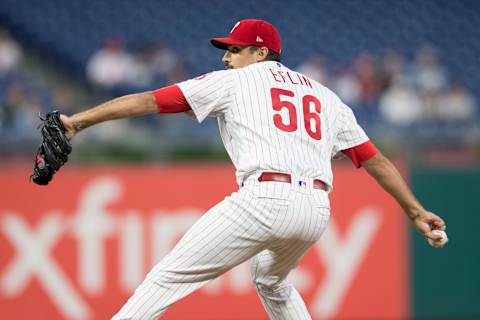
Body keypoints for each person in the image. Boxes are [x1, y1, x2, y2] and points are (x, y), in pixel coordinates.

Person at [59, 19, 448, 320]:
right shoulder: (325, 95)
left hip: (265, 197)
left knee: (168, 277)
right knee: (271, 279)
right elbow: (374, 159)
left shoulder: (234, 82)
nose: (226, 58)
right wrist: (415, 211)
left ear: (261, 53)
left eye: (235, 50)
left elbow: (149, 101)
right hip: (315, 210)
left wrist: (79, 121)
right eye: (226, 51)